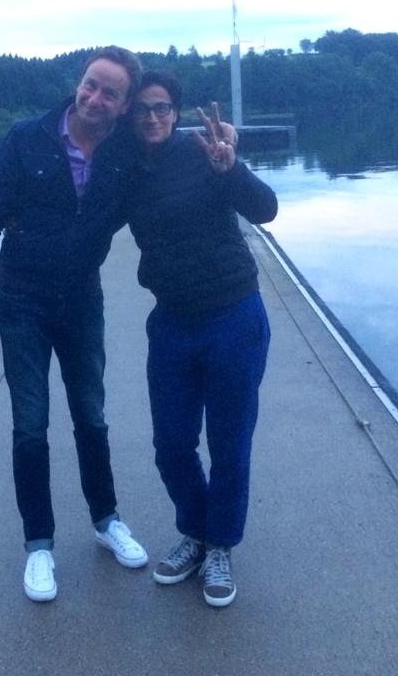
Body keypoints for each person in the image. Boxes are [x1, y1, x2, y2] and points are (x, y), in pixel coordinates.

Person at [0, 46, 148, 603]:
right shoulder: (27, 137)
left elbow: (162, 181)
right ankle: (39, 545)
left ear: (124, 104)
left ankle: (106, 520)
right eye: (91, 84)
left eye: (110, 92)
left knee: (91, 414)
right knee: (30, 424)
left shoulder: (126, 150)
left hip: (82, 299)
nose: (95, 97)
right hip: (24, 301)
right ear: (79, 82)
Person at [124, 71, 278, 608]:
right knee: (171, 444)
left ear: (175, 113)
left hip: (233, 316)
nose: (152, 117)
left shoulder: (203, 153)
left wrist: (230, 168)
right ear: (129, 114)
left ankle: (220, 546)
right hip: (171, 322)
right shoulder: (126, 168)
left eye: (162, 107)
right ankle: (195, 530)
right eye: (142, 108)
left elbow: (265, 209)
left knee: (229, 443)